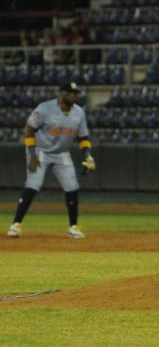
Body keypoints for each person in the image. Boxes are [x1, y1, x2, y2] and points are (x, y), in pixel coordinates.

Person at [7, 82, 96, 239]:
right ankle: (15, 225)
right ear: (61, 93)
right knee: (33, 185)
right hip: (40, 151)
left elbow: (83, 137)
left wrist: (88, 156)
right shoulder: (45, 108)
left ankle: (73, 227)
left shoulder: (79, 112)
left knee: (72, 187)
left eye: (75, 93)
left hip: (61, 153)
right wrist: (32, 155)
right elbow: (29, 129)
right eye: (70, 92)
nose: (73, 96)